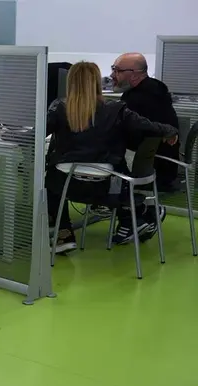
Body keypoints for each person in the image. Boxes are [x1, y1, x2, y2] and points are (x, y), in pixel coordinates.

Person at [46, 62, 178, 252]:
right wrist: (170, 131)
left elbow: (37, 133)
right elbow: (148, 126)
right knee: (121, 171)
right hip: (108, 189)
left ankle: (63, 235)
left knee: (49, 178)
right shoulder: (116, 109)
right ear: (96, 83)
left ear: (71, 82)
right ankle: (137, 213)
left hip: (66, 185)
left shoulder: (59, 107)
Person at [111, 53, 181, 191]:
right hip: (164, 168)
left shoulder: (135, 100)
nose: (112, 75)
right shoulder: (157, 90)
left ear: (134, 74)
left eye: (117, 70)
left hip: (149, 170)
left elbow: (125, 137)